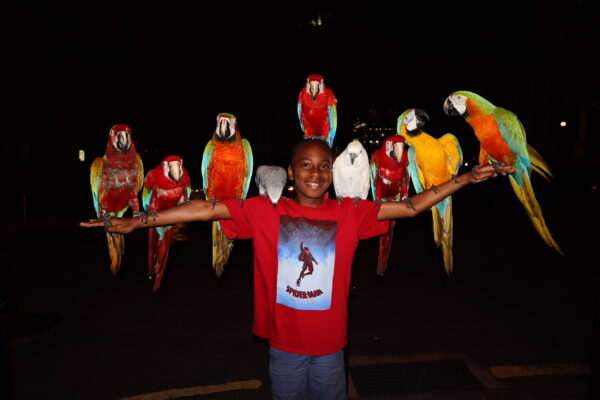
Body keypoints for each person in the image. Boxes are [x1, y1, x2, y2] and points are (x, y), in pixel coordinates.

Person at [81, 137, 514, 399]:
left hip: (330, 348)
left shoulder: (350, 213)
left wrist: (464, 179)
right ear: (291, 171)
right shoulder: (264, 211)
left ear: (332, 173)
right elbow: (201, 211)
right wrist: (136, 222)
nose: (315, 173)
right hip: (284, 346)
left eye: (323, 166)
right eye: (305, 165)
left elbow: (411, 206)